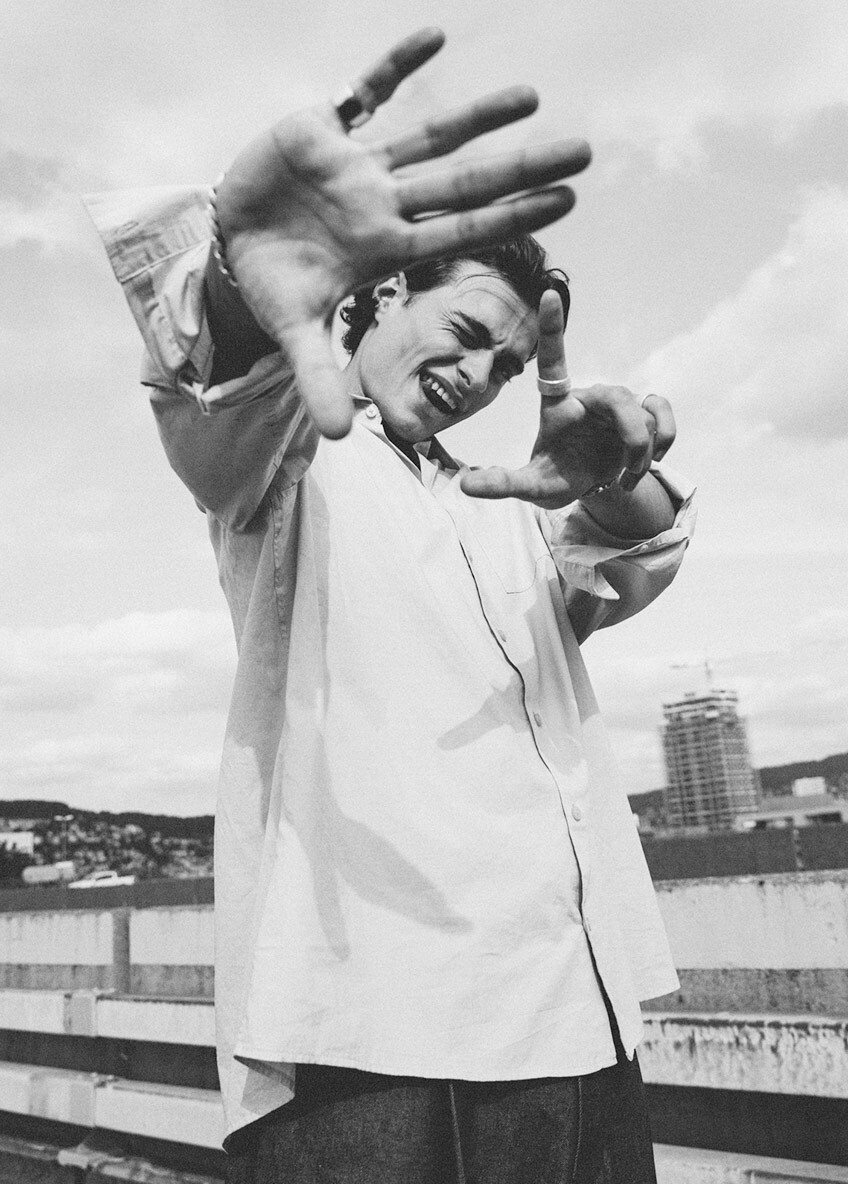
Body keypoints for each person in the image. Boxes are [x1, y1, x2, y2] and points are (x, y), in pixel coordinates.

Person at [87, 29, 695, 1184]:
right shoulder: (292, 457)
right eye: (465, 334)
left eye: (505, 366)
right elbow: (216, 390)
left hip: (579, 1009)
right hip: (373, 1034)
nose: (479, 375)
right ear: (379, 294)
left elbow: (640, 549)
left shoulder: (500, 497)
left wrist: (621, 468)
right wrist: (246, 278)